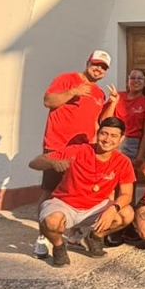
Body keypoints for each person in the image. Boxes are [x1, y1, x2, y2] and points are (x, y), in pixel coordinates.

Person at [33, 50, 110, 259]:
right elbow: (48, 101)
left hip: (83, 150)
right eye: (96, 64)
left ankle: (75, 234)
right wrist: (72, 92)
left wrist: (112, 104)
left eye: (103, 67)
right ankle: (42, 238)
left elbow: (98, 123)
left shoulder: (99, 93)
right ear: (87, 62)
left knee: (78, 190)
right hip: (57, 146)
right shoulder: (66, 79)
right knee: (50, 191)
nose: (99, 69)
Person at [29, 117, 136, 267]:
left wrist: (113, 208)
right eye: (104, 134)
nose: (107, 139)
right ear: (97, 134)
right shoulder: (78, 150)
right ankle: (59, 246)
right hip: (65, 204)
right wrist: (52, 163)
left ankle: (95, 237)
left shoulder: (123, 161)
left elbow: (127, 194)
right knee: (51, 222)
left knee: (127, 213)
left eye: (113, 136)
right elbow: (34, 163)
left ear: (121, 139)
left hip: (95, 208)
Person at [101, 69, 145, 169]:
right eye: (133, 78)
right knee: (108, 175)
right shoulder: (118, 96)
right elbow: (105, 122)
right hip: (112, 140)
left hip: (133, 145)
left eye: (140, 78)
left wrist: (140, 156)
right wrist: (113, 102)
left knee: (128, 179)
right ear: (128, 82)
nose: (136, 80)